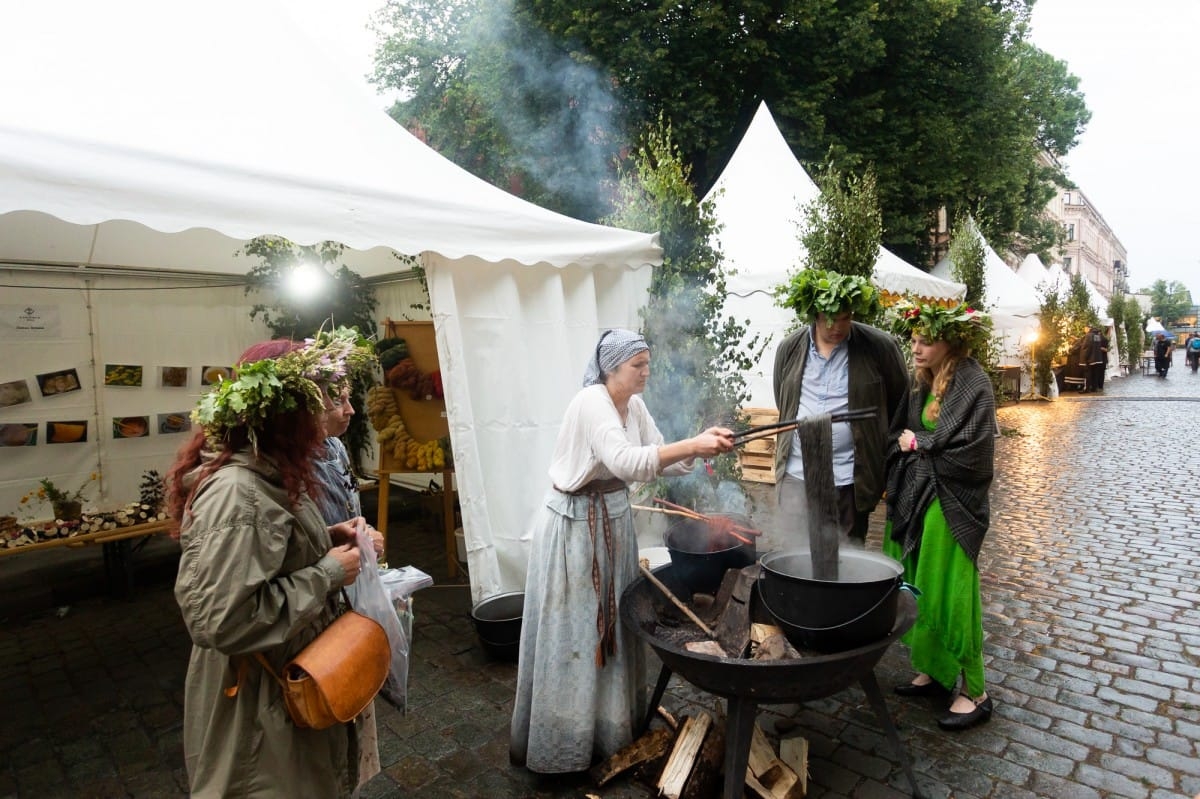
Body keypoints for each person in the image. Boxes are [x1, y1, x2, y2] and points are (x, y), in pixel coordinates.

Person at [509, 328, 735, 774]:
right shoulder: (592, 402)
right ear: (611, 368)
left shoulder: (634, 404)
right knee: (576, 634)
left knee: (612, 623)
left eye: (648, 363)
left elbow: (657, 456)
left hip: (612, 523)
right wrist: (691, 445)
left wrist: (702, 443)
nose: (647, 372)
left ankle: (609, 735)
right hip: (574, 529)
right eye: (639, 365)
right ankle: (562, 746)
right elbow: (627, 462)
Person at [168, 328, 377, 798]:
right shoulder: (238, 494)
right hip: (256, 706)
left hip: (284, 678)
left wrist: (326, 538)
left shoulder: (271, 472)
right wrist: (327, 572)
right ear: (290, 417)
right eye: (321, 405)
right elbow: (222, 619)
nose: (335, 417)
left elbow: (264, 554)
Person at [884, 300, 997, 731]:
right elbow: (899, 432)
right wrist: (908, 446)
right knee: (921, 583)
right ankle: (935, 670)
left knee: (951, 590)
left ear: (950, 342)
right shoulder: (921, 382)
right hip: (919, 496)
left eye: (925, 341)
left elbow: (974, 452)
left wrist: (923, 445)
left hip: (953, 503)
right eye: (913, 339)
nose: (915, 347)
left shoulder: (973, 383)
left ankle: (975, 690)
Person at [773, 269, 908, 549]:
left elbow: (899, 402)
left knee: (848, 559)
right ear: (813, 314)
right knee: (795, 555)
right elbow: (784, 401)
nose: (837, 327)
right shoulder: (789, 349)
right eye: (828, 319)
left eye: (845, 318)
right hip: (797, 476)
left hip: (849, 480)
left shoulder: (879, 348)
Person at [311, 364, 388, 795]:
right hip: (315, 611)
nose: (351, 409)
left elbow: (343, 513)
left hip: (346, 595)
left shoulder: (336, 450)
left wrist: (363, 537)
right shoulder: (284, 469)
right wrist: (338, 557)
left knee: (351, 708)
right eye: (336, 399)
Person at [1083, 325, 1109, 392]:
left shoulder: (1089, 336)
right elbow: (1097, 347)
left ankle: (1090, 388)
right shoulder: (1097, 336)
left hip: (1093, 358)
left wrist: (1085, 356)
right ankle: (1095, 387)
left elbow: (1088, 347)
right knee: (1096, 373)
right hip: (1098, 358)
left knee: (1091, 373)